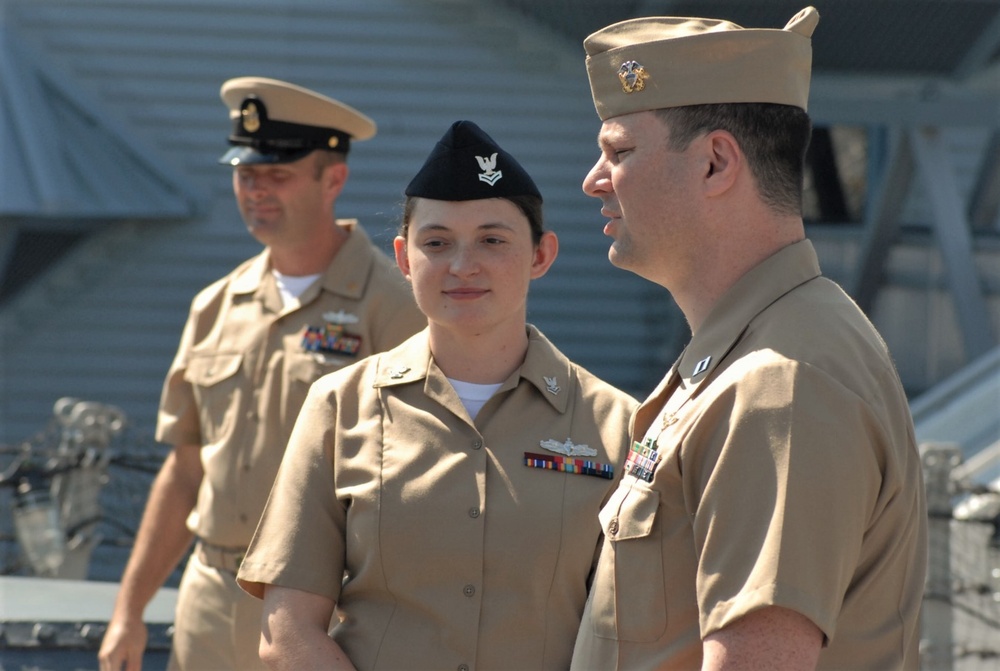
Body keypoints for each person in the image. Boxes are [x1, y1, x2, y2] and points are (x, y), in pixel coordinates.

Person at [569, 7, 927, 671]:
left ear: (715, 163)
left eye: (619, 152)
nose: (594, 180)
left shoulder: (779, 379)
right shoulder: (757, 352)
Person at [235, 120, 637, 670]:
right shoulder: (340, 407)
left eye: (493, 240)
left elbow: (637, 633)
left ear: (541, 255)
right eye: (437, 242)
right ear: (403, 259)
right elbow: (288, 630)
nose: (462, 265)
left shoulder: (619, 426)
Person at [98, 77, 425, 671]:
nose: (256, 191)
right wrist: (129, 609)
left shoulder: (395, 307)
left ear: (334, 179)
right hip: (207, 595)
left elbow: (425, 477)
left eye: (278, 175)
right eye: (245, 175)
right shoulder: (216, 305)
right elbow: (185, 468)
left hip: (320, 607)